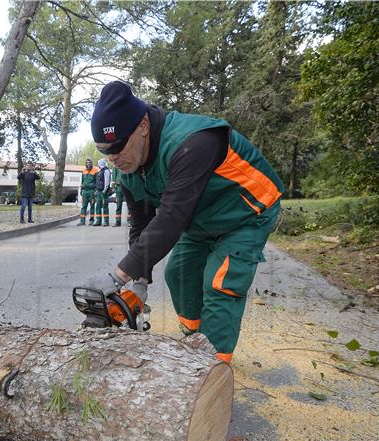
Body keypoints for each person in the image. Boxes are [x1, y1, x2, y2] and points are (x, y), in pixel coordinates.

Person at [83, 81, 283, 365]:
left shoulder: (192, 141)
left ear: (142, 125)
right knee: (178, 273)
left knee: (220, 281)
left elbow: (170, 219)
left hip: (247, 212)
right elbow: (142, 225)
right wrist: (140, 281)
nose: (113, 158)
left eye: (118, 147)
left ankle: (212, 365)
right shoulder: (128, 170)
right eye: (105, 152)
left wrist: (117, 277)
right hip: (201, 216)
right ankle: (193, 341)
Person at [77, 158, 98, 225]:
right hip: (85, 192)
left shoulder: (95, 171)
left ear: (91, 163)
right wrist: (81, 190)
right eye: (87, 162)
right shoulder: (83, 171)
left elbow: (97, 182)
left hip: (92, 191)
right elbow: (82, 182)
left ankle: (91, 220)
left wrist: (96, 190)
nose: (88, 164)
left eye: (89, 162)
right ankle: (82, 221)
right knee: (83, 207)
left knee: (92, 206)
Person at [93, 158, 111, 226]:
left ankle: (106, 221)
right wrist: (97, 191)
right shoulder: (100, 171)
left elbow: (107, 181)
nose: (98, 165)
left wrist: (104, 190)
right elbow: (98, 182)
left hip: (104, 192)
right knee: (98, 206)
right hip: (99, 192)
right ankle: (98, 221)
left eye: (98, 163)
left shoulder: (106, 171)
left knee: (105, 206)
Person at [110, 162, 128, 227]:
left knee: (129, 205)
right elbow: (113, 177)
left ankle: (130, 221)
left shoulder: (127, 162)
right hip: (119, 188)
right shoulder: (115, 165)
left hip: (126, 186)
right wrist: (113, 187)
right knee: (118, 205)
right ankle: (118, 222)